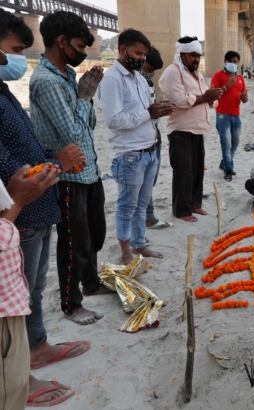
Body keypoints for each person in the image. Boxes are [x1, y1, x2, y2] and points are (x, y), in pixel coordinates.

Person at [0, 9, 90, 406]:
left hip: (34, 205)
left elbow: (27, 148)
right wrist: (53, 166)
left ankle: (35, 347)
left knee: (31, 287)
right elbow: (10, 166)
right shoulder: (44, 81)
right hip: (18, 210)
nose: (14, 61)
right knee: (13, 298)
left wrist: (51, 161)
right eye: (13, 51)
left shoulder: (3, 92)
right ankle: (18, 374)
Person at [30, 10, 111, 326]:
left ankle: (90, 283)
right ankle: (71, 304)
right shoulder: (46, 81)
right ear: (61, 42)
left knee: (94, 234)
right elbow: (72, 135)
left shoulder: (67, 76)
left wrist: (85, 99)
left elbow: (88, 125)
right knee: (74, 243)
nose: (83, 54)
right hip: (68, 176)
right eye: (79, 46)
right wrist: (85, 97)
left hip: (89, 170)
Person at [97, 29, 174, 264]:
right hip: (130, 155)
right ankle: (125, 252)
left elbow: (145, 113)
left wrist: (158, 111)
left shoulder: (140, 78)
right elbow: (114, 120)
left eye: (144, 54)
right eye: (137, 53)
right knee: (126, 206)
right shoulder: (112, 79)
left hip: (149, 150)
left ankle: (139, 245)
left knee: (142, 204)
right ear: (123, 50)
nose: (141, 58)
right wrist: (148, 113)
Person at [159, 36, 223, 222]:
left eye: (198, 56)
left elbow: (209, 99)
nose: (197, 59)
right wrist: (204, 97)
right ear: (182, 54)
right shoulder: (173, 72)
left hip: (197, 129)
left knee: (196, 170)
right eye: (193, 55)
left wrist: (211, 97)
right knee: (183, 171)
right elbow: (180, 99)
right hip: (181, 130)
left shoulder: (196, 74)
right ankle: (181, 210)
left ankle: (195, 204)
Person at [141, 46, 172, 230]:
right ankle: (147, 217)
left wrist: (159, 109)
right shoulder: (128, 83)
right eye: (149, 70)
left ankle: (148, 216)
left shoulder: (148, 84)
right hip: (141, 142)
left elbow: (149, 109)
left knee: (150, 181)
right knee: (143, 182)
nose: (150, 75)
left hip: (155, 138)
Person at [211, 50, 249, 181]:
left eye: (235, 61)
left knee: (235, 143)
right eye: (230, 61)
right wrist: (227, 86)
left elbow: (245, 99)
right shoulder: (218, 76)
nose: (233, 64)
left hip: (236, 116)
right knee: (226, 143)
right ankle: (228, 169)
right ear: (225, 62)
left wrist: (244, 97)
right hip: (222, 115)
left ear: (238, 63)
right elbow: (213, 95)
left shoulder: (240, 79)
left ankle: (224, 163)